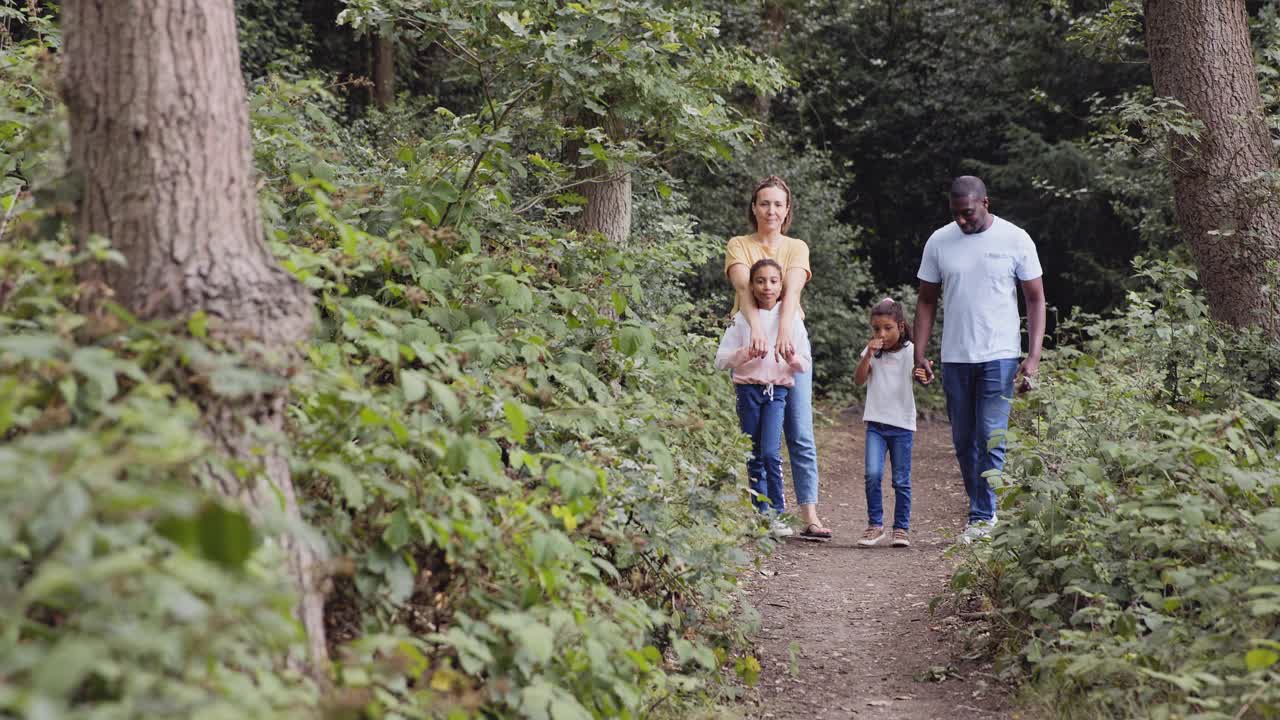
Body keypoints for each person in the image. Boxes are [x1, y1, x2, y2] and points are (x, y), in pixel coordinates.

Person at [913, 176, 1046, 543]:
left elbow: (1035, 298)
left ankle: (983, 515)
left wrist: (1033, 356)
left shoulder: (1015, 239)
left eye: (968, 213)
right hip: (956, 356)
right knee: (963, 439)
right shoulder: (939, 241)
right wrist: (920, 353)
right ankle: (980, 509)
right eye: (956, 214)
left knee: (990, 436)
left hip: (999, 354)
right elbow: (926, 300)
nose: (962, 221)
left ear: (985, 202)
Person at [724, 175, 832, 540]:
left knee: (799, 432)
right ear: (754, 207)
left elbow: (793, 289)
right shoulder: (739, 245)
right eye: (765, 203)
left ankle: (810, 515)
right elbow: (743, 288)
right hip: (753, 353)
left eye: (778, 204)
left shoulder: (795, 247)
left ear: (787, 211)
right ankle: (763, 513)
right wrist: (756, 329)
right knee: (756, 441)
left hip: (790, 349)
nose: (771, 210)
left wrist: (783, 331)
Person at [716, 259, 812, 538]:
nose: (767, 286)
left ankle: (777, 512)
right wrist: (744, 354)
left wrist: (790, 356)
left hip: (776, 392)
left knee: (770, 452)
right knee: (753, 454)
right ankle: (762, 516)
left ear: (781, 285)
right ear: (751, 286)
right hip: (748, 391)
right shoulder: (742, 319)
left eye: (773, 280)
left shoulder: (791, 318)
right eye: (760, 281)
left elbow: (804, 363)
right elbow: (720, 360)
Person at [853, 297, 925, 548]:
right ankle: (875, 525)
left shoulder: (911, 352)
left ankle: (901, 528)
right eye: (876, 329)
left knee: (901, 480)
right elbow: (859, 380)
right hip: (875, 423)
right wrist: (868, 355)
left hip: (902, 425)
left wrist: (924, 373)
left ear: (901, 327)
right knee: (872, 474)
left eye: (887, 328)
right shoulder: (873, 351)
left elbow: (926, 375)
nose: (881, 333)